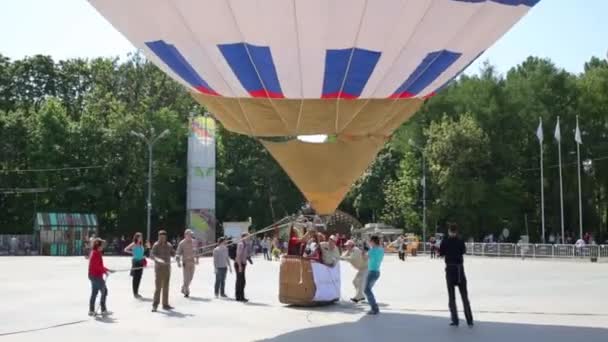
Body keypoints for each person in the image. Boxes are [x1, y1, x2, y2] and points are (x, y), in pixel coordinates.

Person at [439, 223, 473, 327]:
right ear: (457, 231)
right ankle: (469, 320)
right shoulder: (461, 240)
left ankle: (455, 320)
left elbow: (441, 254)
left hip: (450, 269)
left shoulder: (445, 241)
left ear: (449, 231)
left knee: (452, 297)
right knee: (464, 296)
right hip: (459, 269)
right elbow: (463, 251)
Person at [88, 238, 113, 316]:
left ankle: (91, 310)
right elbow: (97, 266)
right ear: (98, 246)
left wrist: (107, 270)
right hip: (96, 276)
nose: (103, 247)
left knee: (94, 292)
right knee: (104, 291)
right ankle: (103, 309)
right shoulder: (96, 254)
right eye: (102, 245)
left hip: (93, 275)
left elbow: (99, 266)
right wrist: (105, 271)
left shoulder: (94, 252)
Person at [151, 230, 174, 312]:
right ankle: (155, 305)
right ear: (158, 237)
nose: (162, 239)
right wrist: (158, 259)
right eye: (160, 237)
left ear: (165, 237)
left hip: (167, 268)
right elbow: (152, 255)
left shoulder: (169, 245)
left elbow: (173, 253)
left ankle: (165, 304)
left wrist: (178, 256)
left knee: (166, 287)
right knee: (158, 287)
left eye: (163, 237)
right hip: (159, 269)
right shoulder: (156, 245)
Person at [364, 235, 384, 315]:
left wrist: (363, 252)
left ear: (373, 241)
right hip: (377, 272)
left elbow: (365, 258)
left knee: (367, 290)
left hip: (372, 272)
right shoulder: (381, 249)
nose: (369, 242)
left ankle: (374, 308)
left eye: (370, 241)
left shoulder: (371, 250)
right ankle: (373, 306)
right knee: (368, 289)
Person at [176, 229, 199, 298]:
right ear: (185, 235)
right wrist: (178, 262)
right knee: (186, 278)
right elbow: (178, 253)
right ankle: (186, 291)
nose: (190, 236)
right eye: (189, 234)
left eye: (191, 234)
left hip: (192, 262)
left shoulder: (194, 242)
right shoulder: (182, 243)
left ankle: (184, 287)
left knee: (190, 278)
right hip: (185, 262)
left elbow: (196, 251)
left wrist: (197, 259)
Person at [124, 232, 146, 298]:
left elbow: (141, 253)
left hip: (141, 261)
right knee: (135, 277)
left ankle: (137, 292)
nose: (141, 238)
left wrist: (143, 256)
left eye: (141, 237)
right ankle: (135, 292)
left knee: (139, 277)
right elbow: (125, 249)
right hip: (136, 261)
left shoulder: (141, 245)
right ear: (136, 237)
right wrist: (132, 252)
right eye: (139, 237)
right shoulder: (134, 244)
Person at [234, 232, 250, 302]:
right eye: (247, 236)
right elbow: (238, 256)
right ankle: (238, 297)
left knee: (242, 281)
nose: (249, 237)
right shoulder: (241, 244)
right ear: (244, 237)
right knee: (240, 281)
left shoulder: (246, 244)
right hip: (239, 264)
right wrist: (240, 266)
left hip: (243, 264)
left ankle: (241, 296)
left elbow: (244, 254)